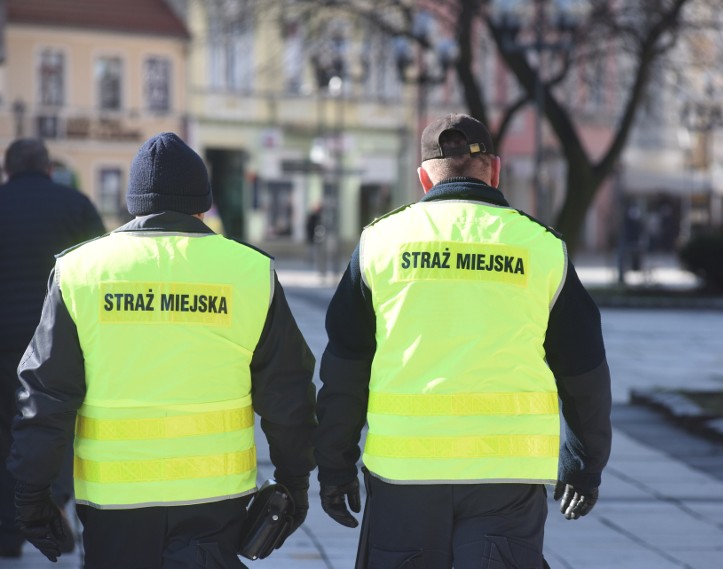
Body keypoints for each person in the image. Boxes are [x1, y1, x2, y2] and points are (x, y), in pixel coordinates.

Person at [313, 114, 613, 568]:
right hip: (507, 477)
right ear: (494, 170)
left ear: (422, 178)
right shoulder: (541, 247)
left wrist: (335, 468)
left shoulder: (380, 242)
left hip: (404, 474)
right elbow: (584, 369)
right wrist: (584, 463)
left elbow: (345, 368)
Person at [6, 132, 317, 567]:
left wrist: (32, 494)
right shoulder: (249, 271)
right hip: (216, 503)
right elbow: (288, 394)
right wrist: (294, 483)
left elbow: (45, 396)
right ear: (203, 204)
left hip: (113, 504)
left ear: (134, 203)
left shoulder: (80, 270)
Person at [0, 138, 105, 558]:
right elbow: (103, 270)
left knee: (6, 433)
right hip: (55, 343)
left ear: (8, 170)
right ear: (47, 168)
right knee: (58, 426)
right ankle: (55, 501)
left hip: (2, 343)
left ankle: (7, 533)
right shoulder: (74, 204)